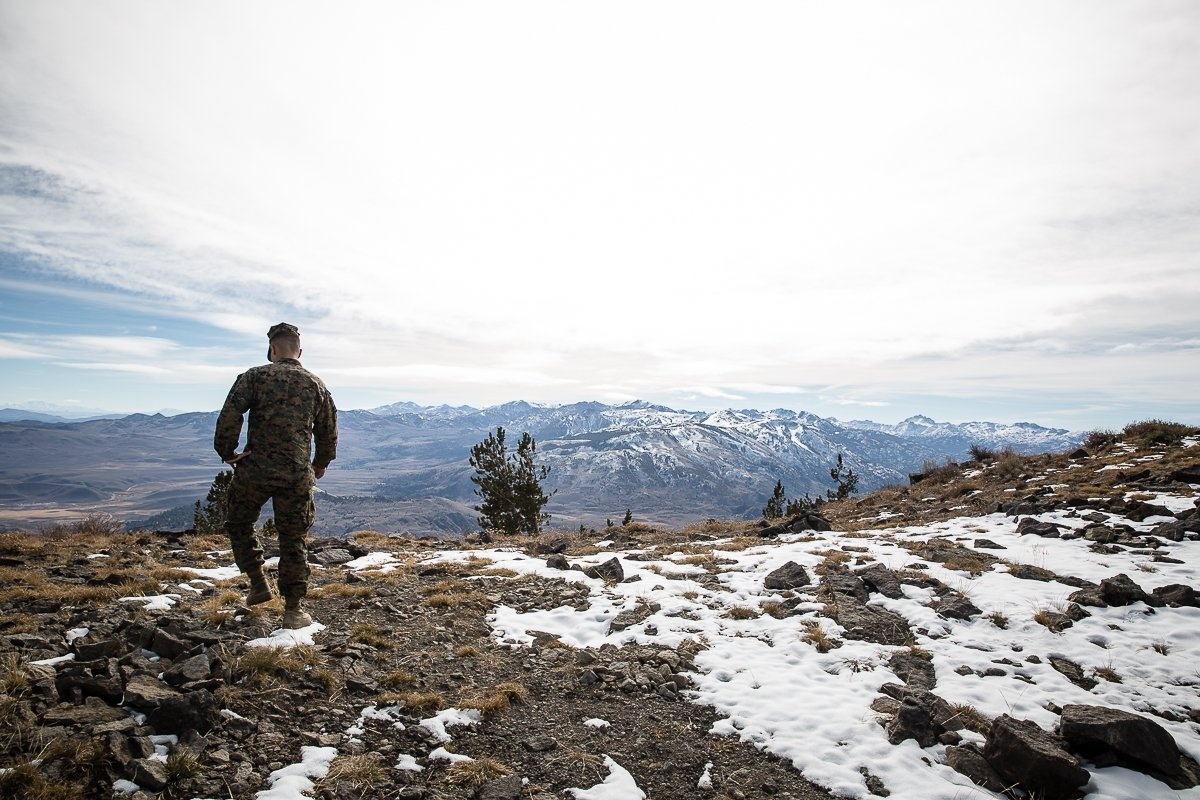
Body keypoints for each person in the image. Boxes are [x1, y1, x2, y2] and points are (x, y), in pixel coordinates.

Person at [213, 322, 338, 629]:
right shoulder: (316, 384)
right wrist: (320, 463)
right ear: (300, 351)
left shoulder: (254, 377)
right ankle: (294, 610)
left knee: (239, 522)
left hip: (254, 469)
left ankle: (258, 583)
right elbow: (328, 430)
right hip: (295, 473)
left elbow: (230, 414)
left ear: (272, 349)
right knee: (292, 539)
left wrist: (227, 451)